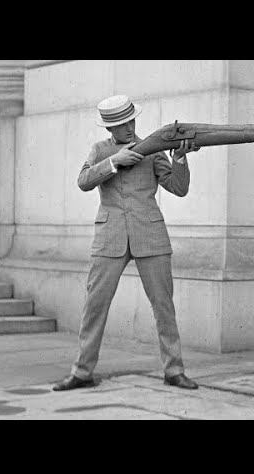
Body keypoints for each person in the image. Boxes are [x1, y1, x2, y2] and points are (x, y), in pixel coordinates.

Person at [53, 95, 199, 391]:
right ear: (110, 128)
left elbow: (178, 188)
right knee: (95, 306)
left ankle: (174, 370)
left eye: (131, 121)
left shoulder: (152, 148)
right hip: (110, 238)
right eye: (122, 124)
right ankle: (82, 372)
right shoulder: (100, 150)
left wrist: (180, 159)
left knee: (163, 306)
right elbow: (83, 181)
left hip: (151, 235)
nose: (129, 127)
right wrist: (113, 162)